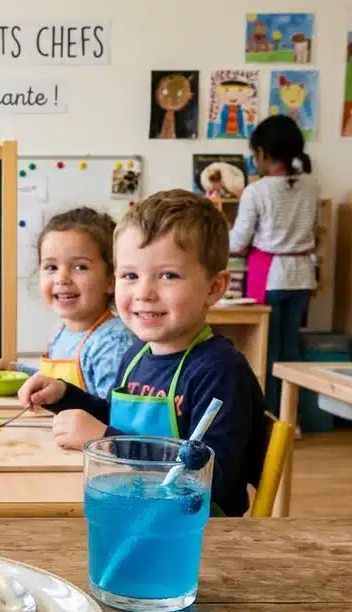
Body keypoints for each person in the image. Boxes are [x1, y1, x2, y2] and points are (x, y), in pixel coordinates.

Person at [18, 190, 268, 517]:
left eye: (168, 275)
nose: (144, 293)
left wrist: (108, 442)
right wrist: (65, 396)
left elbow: (212, 480)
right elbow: (114, 417)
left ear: (214, 287)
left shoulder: (220, 371)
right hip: (133, 507)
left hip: (194, 532)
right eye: (131, 276)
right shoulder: (136, 354)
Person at [0, 207, 133, 398]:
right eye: (51, 267)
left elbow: (114, 413)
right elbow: (51, 381)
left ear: (111, 280)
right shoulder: (60, 333)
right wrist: (18, 372)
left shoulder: (113, 342)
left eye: (80, 267)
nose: (61, 278)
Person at [228, 114, 320, 415]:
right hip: (303, 277)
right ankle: (292, 418)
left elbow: (238, 241)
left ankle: (267, 418)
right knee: (291, 352)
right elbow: (315, 230)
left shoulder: (257, 191)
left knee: (265, 351)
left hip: (270, 278)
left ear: (263, 154)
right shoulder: (312, 185)